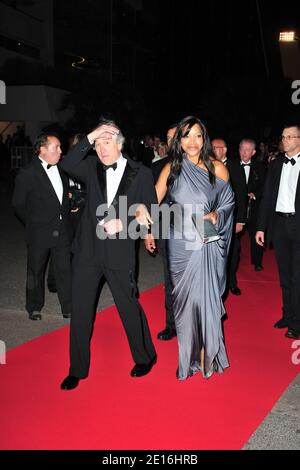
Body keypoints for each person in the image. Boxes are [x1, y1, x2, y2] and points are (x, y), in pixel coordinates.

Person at [59, 119, 157, 390]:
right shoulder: (90, 167)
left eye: (107, 142)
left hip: (119, 251)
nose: (101, 149)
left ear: (120, 143)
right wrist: (91, 135)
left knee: (128, 307)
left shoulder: (142, 173)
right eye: (98, 143)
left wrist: (125, 223)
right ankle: (77, 369)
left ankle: (145, 356)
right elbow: (66, 164)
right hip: (87, 251)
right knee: (81, 311)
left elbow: (151, 215)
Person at [147, 116, 234, 379]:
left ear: (204, 138)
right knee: (183, 302)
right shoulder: (171, 168)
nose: (192, 142)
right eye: (186, 136)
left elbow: (228, 203)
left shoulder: (217, 168)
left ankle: (208, 352)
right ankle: (188, 355)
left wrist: (217, 215)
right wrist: (149, 230)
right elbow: (153, 198)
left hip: (204, 240)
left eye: (197, 135)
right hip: (178, 242)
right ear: (179, 140)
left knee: (204, 300)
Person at [12, 133, 72, 320]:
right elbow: (18, 204)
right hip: (39, 231)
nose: (61, 151)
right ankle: (34, 306)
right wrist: (33, 223)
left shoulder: (61, 169)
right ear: (43, 149)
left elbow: (61, 197)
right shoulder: (28, 172)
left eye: (61, 147)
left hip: (62, 229)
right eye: (57, 147)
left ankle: (68, 307)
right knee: (35, 271)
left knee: (64, 270)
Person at [256, 124, 300, 340]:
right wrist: (261, 227)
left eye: (291, 137)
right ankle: (287, 314)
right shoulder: (275, 164)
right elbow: (267, 197)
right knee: (284, 276)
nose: (286, 140)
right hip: (280, 225)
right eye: (284, 137)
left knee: (297, 277)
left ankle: (296, 322)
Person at [145, 124, 177, 341]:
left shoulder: (207, 166)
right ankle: (172, 324)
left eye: (176, 136)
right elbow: (152, 202)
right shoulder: (161, 168)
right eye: (168, 137)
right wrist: (148, 231)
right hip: (168, 231)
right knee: (171, 281)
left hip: (195, 233)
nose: (172, 141)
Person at [226, 139, 266, 297]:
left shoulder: (260, 167)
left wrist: (254, 194)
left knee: (256, 234)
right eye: (242, 149)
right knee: (235, 244)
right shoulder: (231, 165)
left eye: (248, 149)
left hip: (254, 208)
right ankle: (231, 274)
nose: (244, 152)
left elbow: (265, 185)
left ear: (254, 152)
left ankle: (257, 262)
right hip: (237, 209)